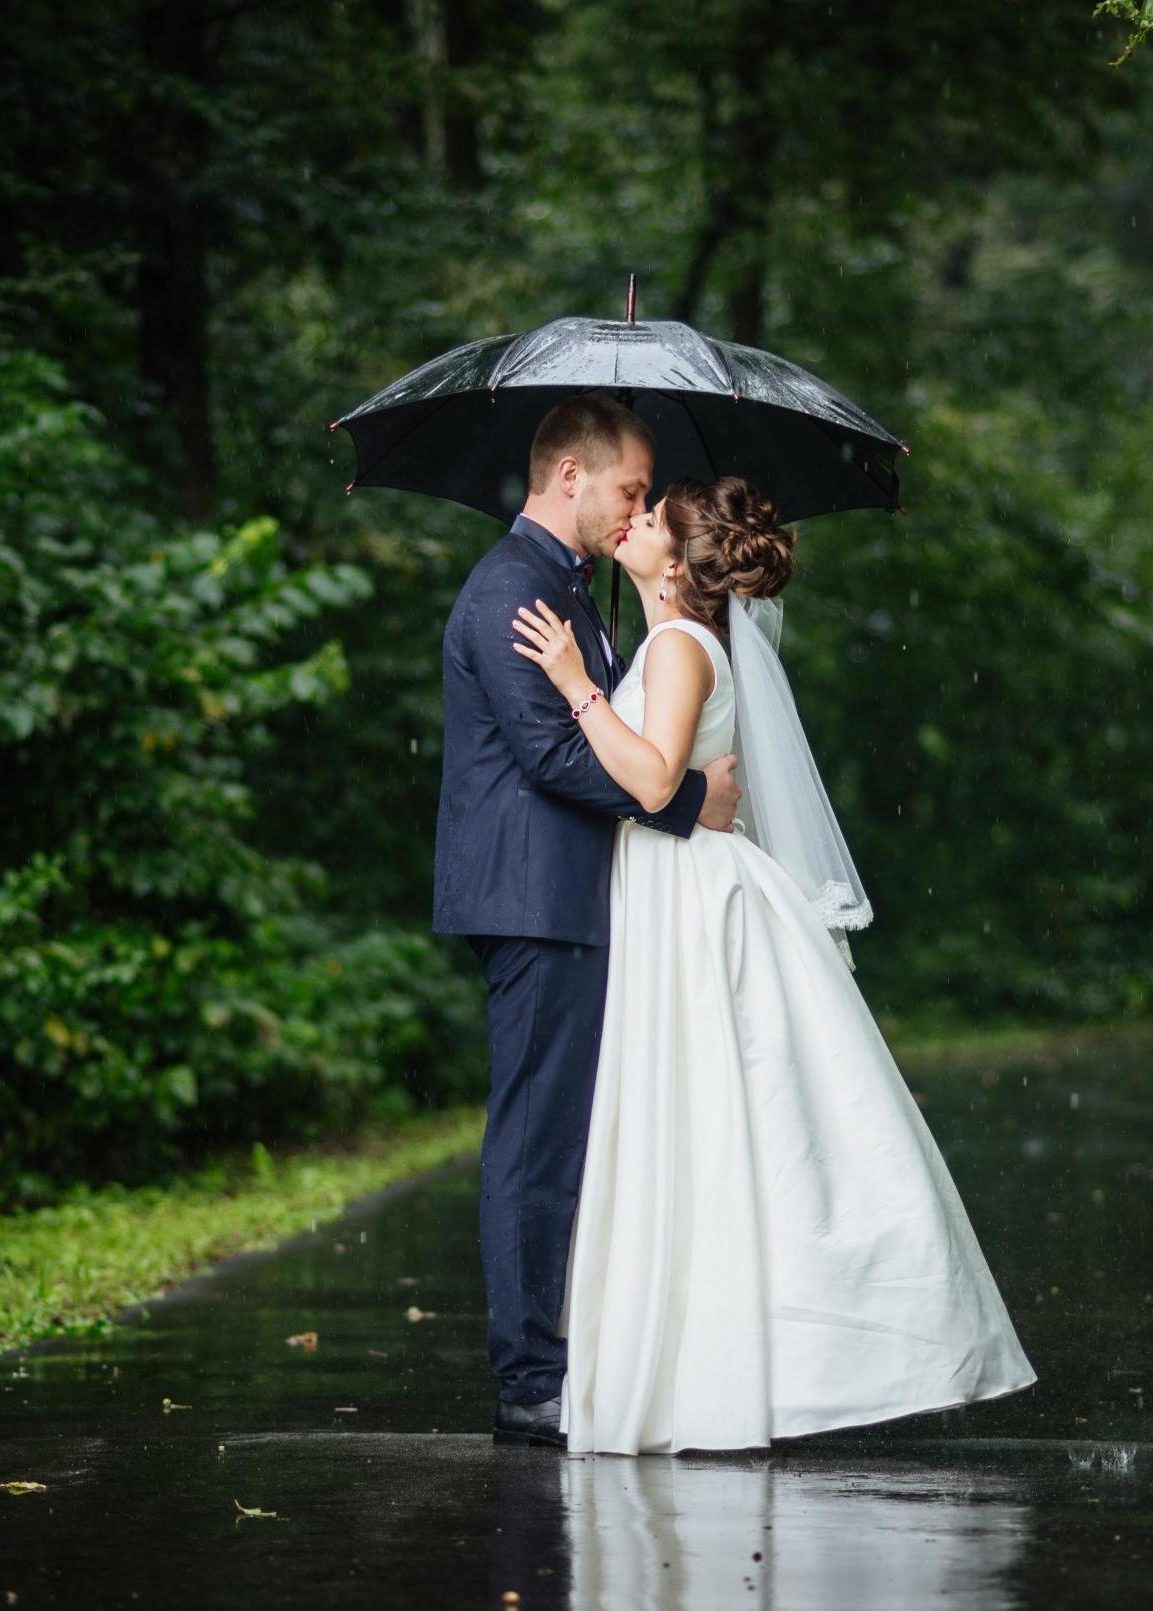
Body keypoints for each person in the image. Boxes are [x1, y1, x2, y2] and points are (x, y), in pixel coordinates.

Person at [507, 475, 1037, 1454]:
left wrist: (577, 683)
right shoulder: (681, 641)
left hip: (685, 895)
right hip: (682, 882)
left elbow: (658, 777)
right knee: (727, 1122)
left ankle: (716, 1362)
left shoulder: (674, 645)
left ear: (675, 559)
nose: (630, 519)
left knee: (706, 1120)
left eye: (650, 515)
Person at [432, 393, 744, 1448]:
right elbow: (558, 757)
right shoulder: (510, 591)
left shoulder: (570, 587)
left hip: (572, 896)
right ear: (569, 474)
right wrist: (689, 800)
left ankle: (570, 1353)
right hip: (534, 899)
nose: (635, 508)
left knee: (572, 1140)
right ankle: (528, 1379)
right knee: (534, 1143)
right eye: (625, 488)